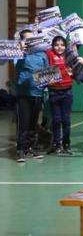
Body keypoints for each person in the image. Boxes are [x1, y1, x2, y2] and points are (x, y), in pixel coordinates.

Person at [15, 29, 49, 161]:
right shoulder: (19, 54)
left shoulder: (42, 54)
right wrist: (21, 52)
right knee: (23, 123)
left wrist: (49, 79)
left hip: (38, 93)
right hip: (23, 93)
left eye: (32, 38)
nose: (30, 41)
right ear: (22, 41)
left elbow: (47, 72)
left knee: (33, 123)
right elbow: (17, 67)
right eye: (27, 39)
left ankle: (31, 148)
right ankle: (20, 150)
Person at [45, 35, 74, 156]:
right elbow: (41, 44)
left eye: (62, 45)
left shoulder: (69, 56)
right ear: (52, 46)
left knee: (66, 120)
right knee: (56, 120)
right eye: (57, 45)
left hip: (67, 92)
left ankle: (66, 144)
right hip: (54, 92)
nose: (59, 47)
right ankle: (57, 144)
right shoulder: (49, 54)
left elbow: (75, 69)